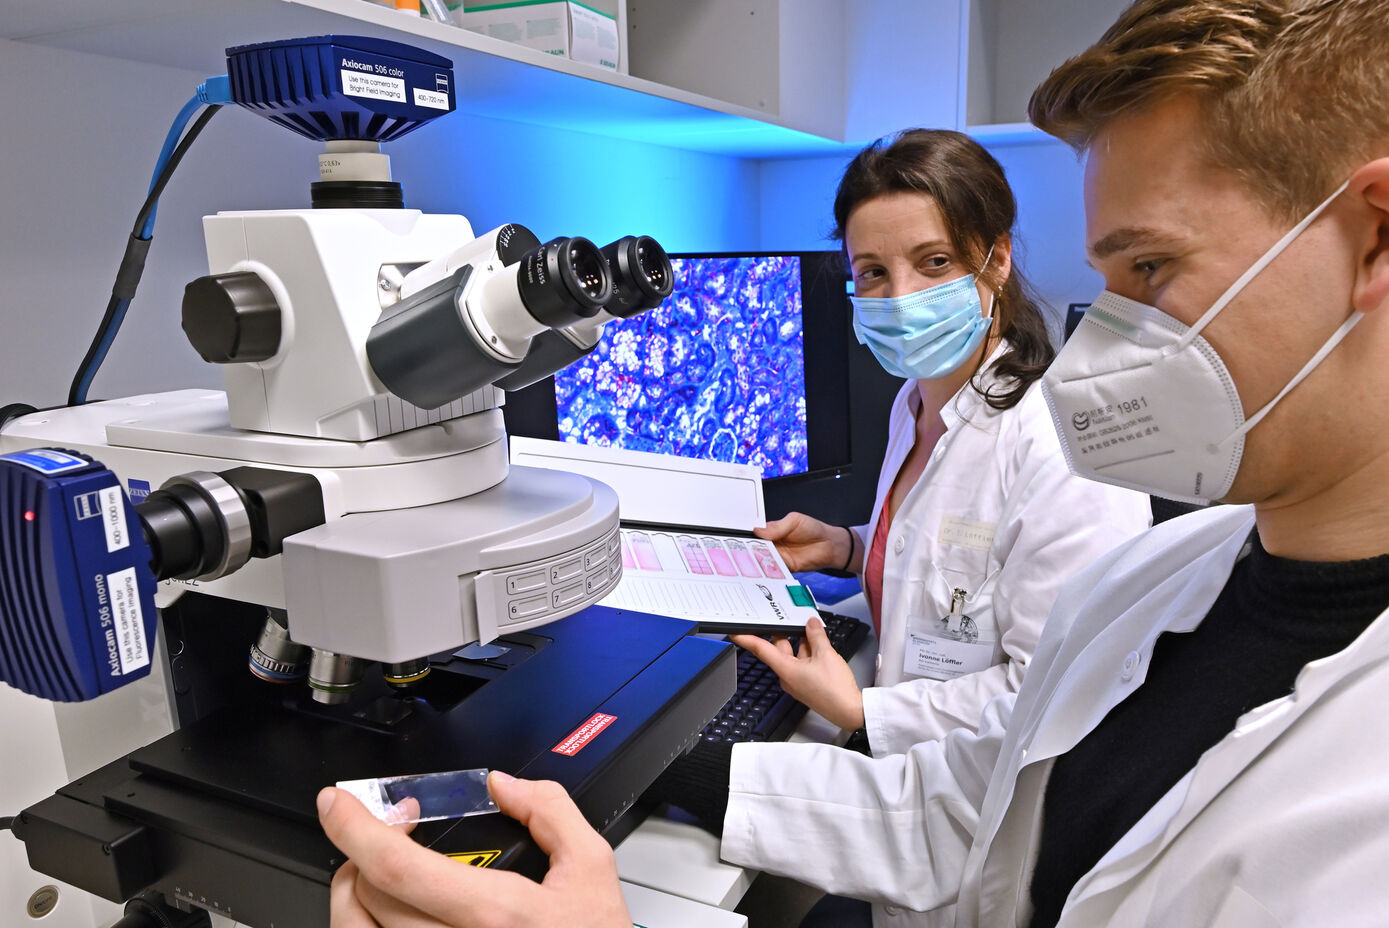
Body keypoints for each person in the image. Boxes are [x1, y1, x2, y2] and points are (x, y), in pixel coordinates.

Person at [318, 0, 1389, 925]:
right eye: (869, 272)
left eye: (1150, 266)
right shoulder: (1172, 579)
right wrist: (665, 763)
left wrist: (861, 712)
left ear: (1374, 238)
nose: (1114, 330)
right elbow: (985, 807)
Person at [730, 128, 1151, 760]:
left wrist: (861, 709)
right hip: (907, 756)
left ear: (998, 260)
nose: (900, 298)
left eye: (934, 263)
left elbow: (1060, 693)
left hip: (982, 797)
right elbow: (963, 558)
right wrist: (850, 547)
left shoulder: (1065, 449)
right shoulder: (918, 402)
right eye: (872, 273)